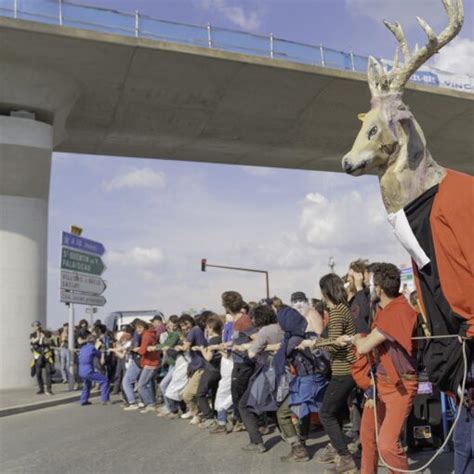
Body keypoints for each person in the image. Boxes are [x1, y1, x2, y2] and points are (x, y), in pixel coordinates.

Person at [345, 263, 419, 474]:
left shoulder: (397, 311)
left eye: (371, 285)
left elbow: (365, 345)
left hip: (400, 385)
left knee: (387, 444)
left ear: (378, 289)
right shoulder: (384, 309)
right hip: (380, 382)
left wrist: (355, 339)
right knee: (368, 436)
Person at [298, 273, 357, 472]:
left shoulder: (339, 311)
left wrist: (313, 342)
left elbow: (333, 344)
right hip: (341, 369)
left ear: (326, 291)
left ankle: (345, 457)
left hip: (344, 370)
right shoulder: (339, 310)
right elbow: (329, 337)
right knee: (336, 411)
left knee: (326, 413)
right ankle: (337, 449)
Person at [275, 306, 329, 463]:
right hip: (319, 379)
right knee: (311, 411)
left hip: (306, 381)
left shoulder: (293, 339)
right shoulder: (308, 333)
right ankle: (305, 440)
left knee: (283, 413)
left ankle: (298, 448)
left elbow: (281, 353)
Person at [238, 304, 283, 453]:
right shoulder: (279, 326)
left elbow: (252, 353)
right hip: (281, 370)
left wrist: (245, 347)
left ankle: (257, 442)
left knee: (244, 406)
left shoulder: (264, 331)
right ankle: (286, 434)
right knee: (277, 404)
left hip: (266, 371)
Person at [223, 291, 255, 432]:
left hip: (245, 363)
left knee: (240, 395)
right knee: (237, 394)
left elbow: (256, 338)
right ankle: (243, 421)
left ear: (227, 305)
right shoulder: (236, 320)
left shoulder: (244, 320)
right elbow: (239, 338)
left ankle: (250, 423)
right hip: (238, 361)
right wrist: (228, 344)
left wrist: (242, 347)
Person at [176, 313, 207, 424]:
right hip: (196, 366)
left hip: (201, 366)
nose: (184, 327)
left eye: (186, 324)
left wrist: (177, 347)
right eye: (182, 326)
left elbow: (185, 347)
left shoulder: (194, 330)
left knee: (188, 394)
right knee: (192, 393)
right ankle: (194, 410)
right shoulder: (195, 330)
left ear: (191, 322)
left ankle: (197, 414)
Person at [194, 315, 223, 427]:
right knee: (215, 393)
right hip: (218, 370)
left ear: (211, 328)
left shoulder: (213, 340)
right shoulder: (220, 338)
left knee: (200, 394)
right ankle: (216, 414)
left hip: (210, 370)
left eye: (207, 327)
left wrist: (202, 350)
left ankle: (208, 416)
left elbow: (208, 357)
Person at [77, 334, 110, 406]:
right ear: (94, 341)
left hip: (81, 371)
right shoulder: (92, 348)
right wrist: (101, 347)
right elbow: (100, 354)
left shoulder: (83, 347)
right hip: (88, 371)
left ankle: (83, 400)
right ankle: (104, 399)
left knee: (87, 384)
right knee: (104, 380)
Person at [136, 320, 160, 413]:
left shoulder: (146, 335)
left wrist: (137, 349)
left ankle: (150, 404)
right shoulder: (150, 334)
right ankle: (152, 403)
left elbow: (142, 351)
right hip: (153, 362)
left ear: (145, 328)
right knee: (147, 384)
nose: (138, 329)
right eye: (137, 327)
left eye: (140, 327)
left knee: (141, 385)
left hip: (150, 363)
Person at [30, 321, 54, 395]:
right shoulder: (32, 334)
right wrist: (39, 337)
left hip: (46, 355)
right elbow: (33, 341)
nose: (36, 327)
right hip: (38, 356)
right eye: (34, 326)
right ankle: (41, 389)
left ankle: (49, 389)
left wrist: (44, 338)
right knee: (38, 373)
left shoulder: (46, 333)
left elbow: (49, 342)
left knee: (48, 372)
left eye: (37, 325)